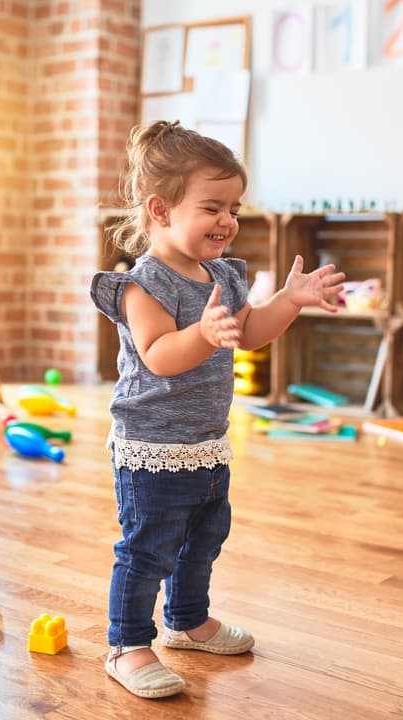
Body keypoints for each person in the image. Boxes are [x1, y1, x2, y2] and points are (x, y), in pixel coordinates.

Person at [90, 120, 345, 699]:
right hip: (152, 448)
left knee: (204, 538)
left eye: (234, 207)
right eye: (212, 207)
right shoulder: (141, 285)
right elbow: (158, 356)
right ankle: (127, 645)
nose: (228, 220)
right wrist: (204, 333)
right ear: (160, 209)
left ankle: (187, 621)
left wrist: (288, 301)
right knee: (148, 548)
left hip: (206, 443)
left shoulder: (223, 276)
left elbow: (250, 334)